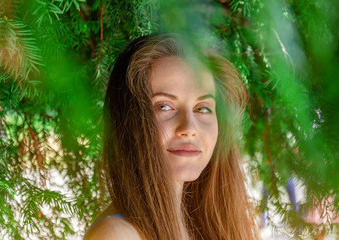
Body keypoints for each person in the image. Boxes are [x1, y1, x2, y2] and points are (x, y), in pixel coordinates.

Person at [84, 34, 258, 240]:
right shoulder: (117, 235)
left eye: (202, 108)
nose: (189, 127)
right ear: (128, 121)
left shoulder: (204, 226)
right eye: (164, 106)